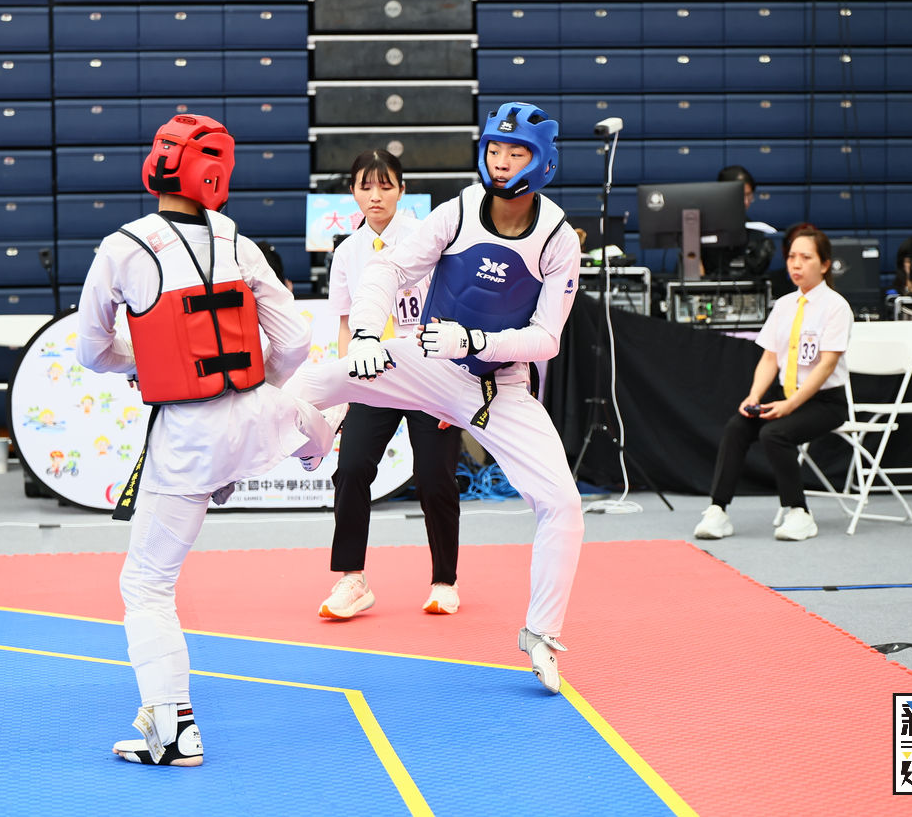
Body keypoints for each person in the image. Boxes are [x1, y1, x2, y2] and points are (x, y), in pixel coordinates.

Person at [286, 102, 585, 694]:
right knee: (309, 388)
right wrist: (366, 334)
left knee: (563, 506)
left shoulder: (556, 237)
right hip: (426, 362)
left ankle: (542, 634)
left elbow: (547, 339)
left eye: (516, 153)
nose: (501, 163)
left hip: (499, 388)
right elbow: (388, 272)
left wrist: (475, 341)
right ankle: (296, 446)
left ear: (543, 162)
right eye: (495, 150)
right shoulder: (458, 211)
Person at [76, 114, 341, 767]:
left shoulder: (122, 248)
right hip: (254, 416)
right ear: (216, 177)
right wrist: (253, 384)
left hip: (188, 437)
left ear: (158, 166)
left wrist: (147, 362)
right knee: (279, 410)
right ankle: (307, 428)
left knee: (146, 585)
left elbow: (91, 351)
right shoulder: (235, 240)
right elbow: (296, 339)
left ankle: (173, 730)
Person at [317, 150, 463, 620]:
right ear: (352, 193)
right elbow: (345, 325)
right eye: (365, 186)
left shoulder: (426, 239)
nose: (375, 196)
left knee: (435, 477)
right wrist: (344, 388)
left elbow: (451, 308)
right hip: (373, 375)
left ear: (402, 189)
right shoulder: (347, 252)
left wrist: (453, 387)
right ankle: (352, 579)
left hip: (429, 374)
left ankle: (444, 581)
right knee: (351, 469)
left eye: (385, 185)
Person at [693, 226, 852, 543]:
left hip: (825, 402)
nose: (796, 264)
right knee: (737, 427)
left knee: (774, 434)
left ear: (824, 265)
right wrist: (753, 397)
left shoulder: (836, 307)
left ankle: (799, 513)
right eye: (792, 257)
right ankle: (718, 510)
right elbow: (769, 358)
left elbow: (826, 366)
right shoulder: (784, 305)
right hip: (785, 394)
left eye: (805, 257)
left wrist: (790, 406)